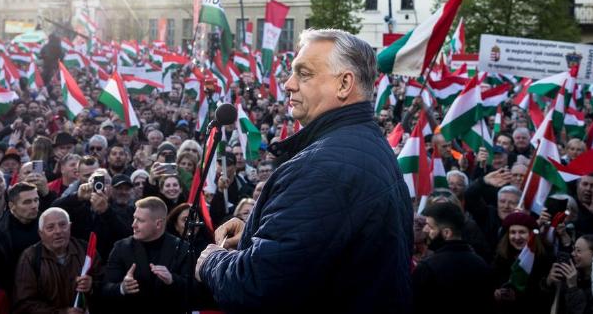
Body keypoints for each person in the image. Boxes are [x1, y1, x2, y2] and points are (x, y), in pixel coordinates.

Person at [196, 29, 412, 313]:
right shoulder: (367, 144)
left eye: (304, 74)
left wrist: (212, 262)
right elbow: (323, 245)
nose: (288, 84)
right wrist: (253, 231)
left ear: (344, 83)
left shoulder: (321, 168)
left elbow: (258, 287)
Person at [104, 196, 194, 313]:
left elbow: (194, 291)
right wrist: (122, 288)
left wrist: (172, 280)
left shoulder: (182, 249)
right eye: (134, 219)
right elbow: (105, 289)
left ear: (158, 224)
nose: (133, 225)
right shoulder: (121, 248)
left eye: (140, 220)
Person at [13, 207, 105, 314]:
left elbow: (105, 286)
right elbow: (24, 304)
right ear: (41, 233)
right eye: (50, 227)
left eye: (62, 225)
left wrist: (92, 286)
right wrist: (62, 313)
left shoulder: (85, 250)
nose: (58, 231)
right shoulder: (30, 257)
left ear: (70, 227)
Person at [413, 202, 494, 314]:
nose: (425, 230)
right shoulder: (481, 264)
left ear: (447, 233)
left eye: (431, 227)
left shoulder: (427, 268)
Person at [0, 182, 42, 292]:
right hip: (14, 290)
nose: (34, 206)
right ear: (12, 206)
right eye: (27, 202)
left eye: (36, 200)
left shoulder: (46, 223)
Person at [492, 212, 554, 313]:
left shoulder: (543, 258)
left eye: (522, 232)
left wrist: (518, 296)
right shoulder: (500, 257)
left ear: (531, 234)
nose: (517, 237)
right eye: (513, 232)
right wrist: (496, 292)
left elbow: (543, 295)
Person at [542, 234, 593, 314]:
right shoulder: (573, 275)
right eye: (573, 249)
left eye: (578, 251)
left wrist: (573, 288)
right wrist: (548, 282)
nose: (573, 254)